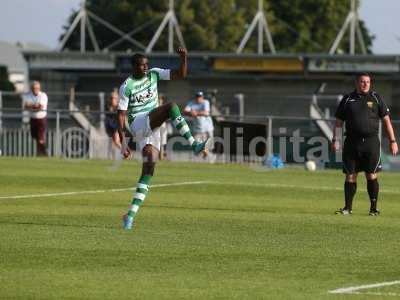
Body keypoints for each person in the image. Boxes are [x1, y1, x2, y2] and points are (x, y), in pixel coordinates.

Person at [117, 47, 209, 230]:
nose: (145, 68)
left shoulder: (154, 74)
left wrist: (184, 58)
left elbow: (179, 74)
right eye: (141, 65)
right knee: (171, 106)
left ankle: (130, 215)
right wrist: (123, 142)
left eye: (146, 65)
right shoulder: (126, 86)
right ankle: (194, 145)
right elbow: (121, 115)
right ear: (133, 67)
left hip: (153, 127)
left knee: (149, 169)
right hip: (139, 122)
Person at [332, 73, 398, 216]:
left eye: (368, 82)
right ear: (357, 83)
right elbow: (338, 122)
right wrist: (335, 139)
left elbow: (387, 121)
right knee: (350, 175)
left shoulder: (376, 98)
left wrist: (393, 141)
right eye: (362, 81)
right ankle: (347, 208)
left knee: (371, 175)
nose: (365, 84)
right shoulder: (347, 99)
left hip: (371, 142)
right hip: (352, 142)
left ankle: (373, 209)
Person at [22, 81, 48, 156]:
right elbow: (25, 106)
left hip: (41, 119)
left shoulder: (43, 95)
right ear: (31, 89)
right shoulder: (28, 95)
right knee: (35, 137)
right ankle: (40, 152)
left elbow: (40, 107)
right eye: (34, 88)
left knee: (40, 138)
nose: (35, 90)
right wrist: (34, 106)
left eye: (37, 88)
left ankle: (44, 154)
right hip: (33, 118)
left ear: (39, 88)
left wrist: (31, 106)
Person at [105, 90, 121, 158]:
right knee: (112, 143)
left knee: (116, 142)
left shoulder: (119, 107)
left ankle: (127, 153)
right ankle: (111, 158)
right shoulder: (107, 106)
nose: (112, 99)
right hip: (110, 126)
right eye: (111, 98)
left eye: (114, 98)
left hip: (116, 127)